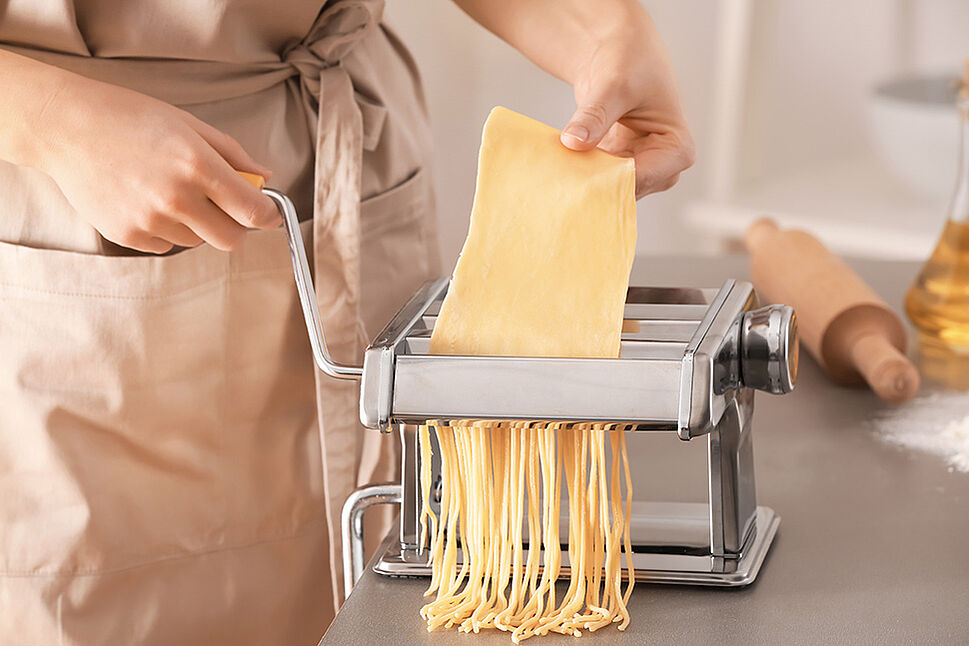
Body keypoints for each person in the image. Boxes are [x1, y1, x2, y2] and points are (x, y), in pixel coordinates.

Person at [0, 0, 693, 643]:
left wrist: (603, 35)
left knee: (399, 564)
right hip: (78, 182)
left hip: (348, 155)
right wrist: (56, 118)